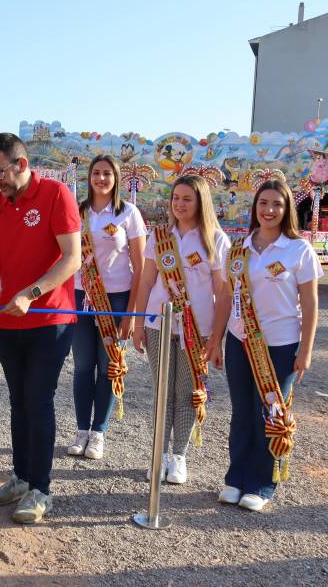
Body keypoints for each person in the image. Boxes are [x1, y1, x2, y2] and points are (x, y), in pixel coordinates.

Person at [0, 132, 81, 523]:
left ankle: (41, 489)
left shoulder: (56, 195)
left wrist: (32, 292)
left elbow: (72, 258)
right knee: (18, 402)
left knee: (38, 399)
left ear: (22, 164)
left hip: (50, 319)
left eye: (0, 172)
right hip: (7, 320)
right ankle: (20, 476)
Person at [207, 178, 321, 511]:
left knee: (270, 413)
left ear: (287, 210)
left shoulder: (298, 249)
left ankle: (262, 484)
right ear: (254, 207)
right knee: (241, 413)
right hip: (240, 340)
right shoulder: (239, 248)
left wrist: (306, 350)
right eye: (263, 204)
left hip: (280, 344)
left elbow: (311, 303)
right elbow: (226, 297)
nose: (269, 210)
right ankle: (236, 478)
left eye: (277, 205)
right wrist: (215, 341)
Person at [133, 174, 230, 485]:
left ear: (201, 201)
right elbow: (146, 281)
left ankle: (179, 457)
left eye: (187, 198)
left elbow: (222, 290)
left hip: (197, 328)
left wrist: (216, 337)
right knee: (163, 391)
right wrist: (137, 323)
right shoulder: (159, 235)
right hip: (157, 325)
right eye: (176, 198)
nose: (180, 204)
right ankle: (158, 455)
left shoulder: (215, 238)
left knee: (187, 392)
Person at [68, 155, 146, 460]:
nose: (101, 179)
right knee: (83, 367)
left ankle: (99, 431)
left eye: (107, 174)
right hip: (80, 297)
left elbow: (140, 267)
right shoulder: (78, 212)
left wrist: (131, 312)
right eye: (96, 173)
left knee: (108, 366)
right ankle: (81, 430)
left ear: (116, 179)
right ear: (89, 177)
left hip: (115, 299)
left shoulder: (128, 213)